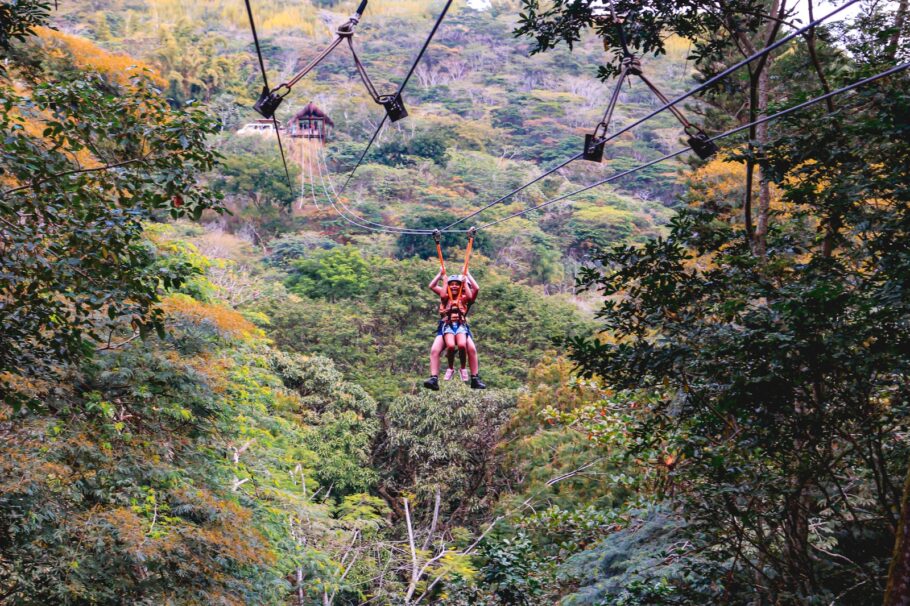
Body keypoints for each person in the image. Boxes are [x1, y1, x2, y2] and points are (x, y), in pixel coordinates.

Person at [423, 271, 486, 391]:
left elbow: (476, 289)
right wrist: (441, 275)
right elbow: (432, 286)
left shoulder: (465, 298)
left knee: (471, 349)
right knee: (435, 350)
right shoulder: (446, 295)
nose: (454, 287)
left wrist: (467, 276)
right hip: (446, 326)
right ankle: (434, 378)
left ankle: (475, 378)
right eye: (452, 284)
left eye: (458, 285)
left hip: (461, 326)